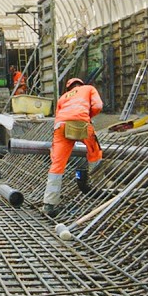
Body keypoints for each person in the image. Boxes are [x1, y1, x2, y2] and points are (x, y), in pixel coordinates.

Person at [42, 77, 103, 216]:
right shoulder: (89, 89)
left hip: (61, 127)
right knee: (95, 152)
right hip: (81, 123)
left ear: (69, 88)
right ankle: (98, 186)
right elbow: (98, 106)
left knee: (57, 164)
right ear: (81, 84)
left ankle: (49, 204)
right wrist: (87, 116)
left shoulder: (63, 97)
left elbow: (58, 116)